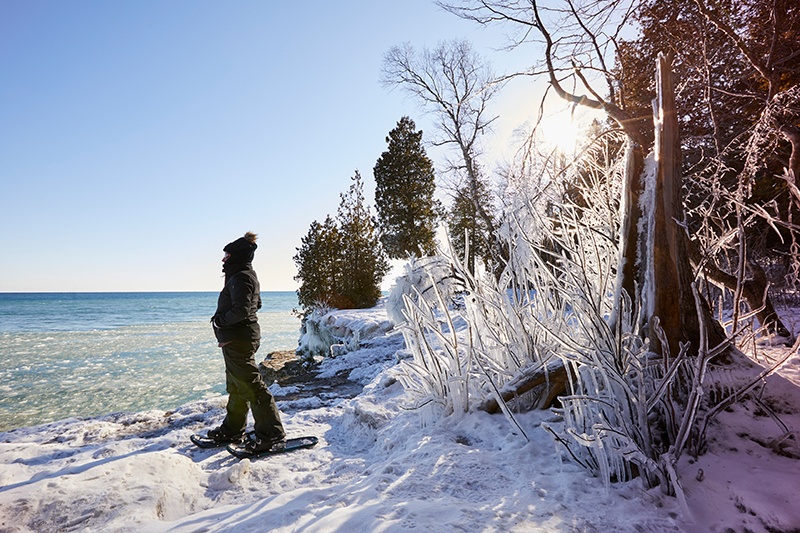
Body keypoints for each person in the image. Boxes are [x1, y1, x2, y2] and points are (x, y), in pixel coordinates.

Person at [207, 231, 286, 453]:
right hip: (237, 339)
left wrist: (221, 322)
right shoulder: (242, 275)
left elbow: (243, 310)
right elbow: (256, 304)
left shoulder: (241, 276)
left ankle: (271, 435)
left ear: (236, 257)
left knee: (252, 387)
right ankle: (232, 430)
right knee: (237, 386)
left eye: (227, 255)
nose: (223, 259)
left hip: (238, 339)